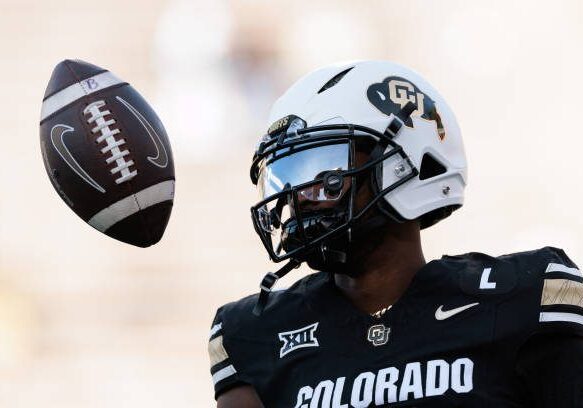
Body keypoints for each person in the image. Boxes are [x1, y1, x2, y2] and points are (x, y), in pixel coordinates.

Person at [208, 60, 583, 407]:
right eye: (288, 175)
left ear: (411, 162)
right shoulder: (256, 334)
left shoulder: (525, 300)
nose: (302, 196)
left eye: (325, 172)